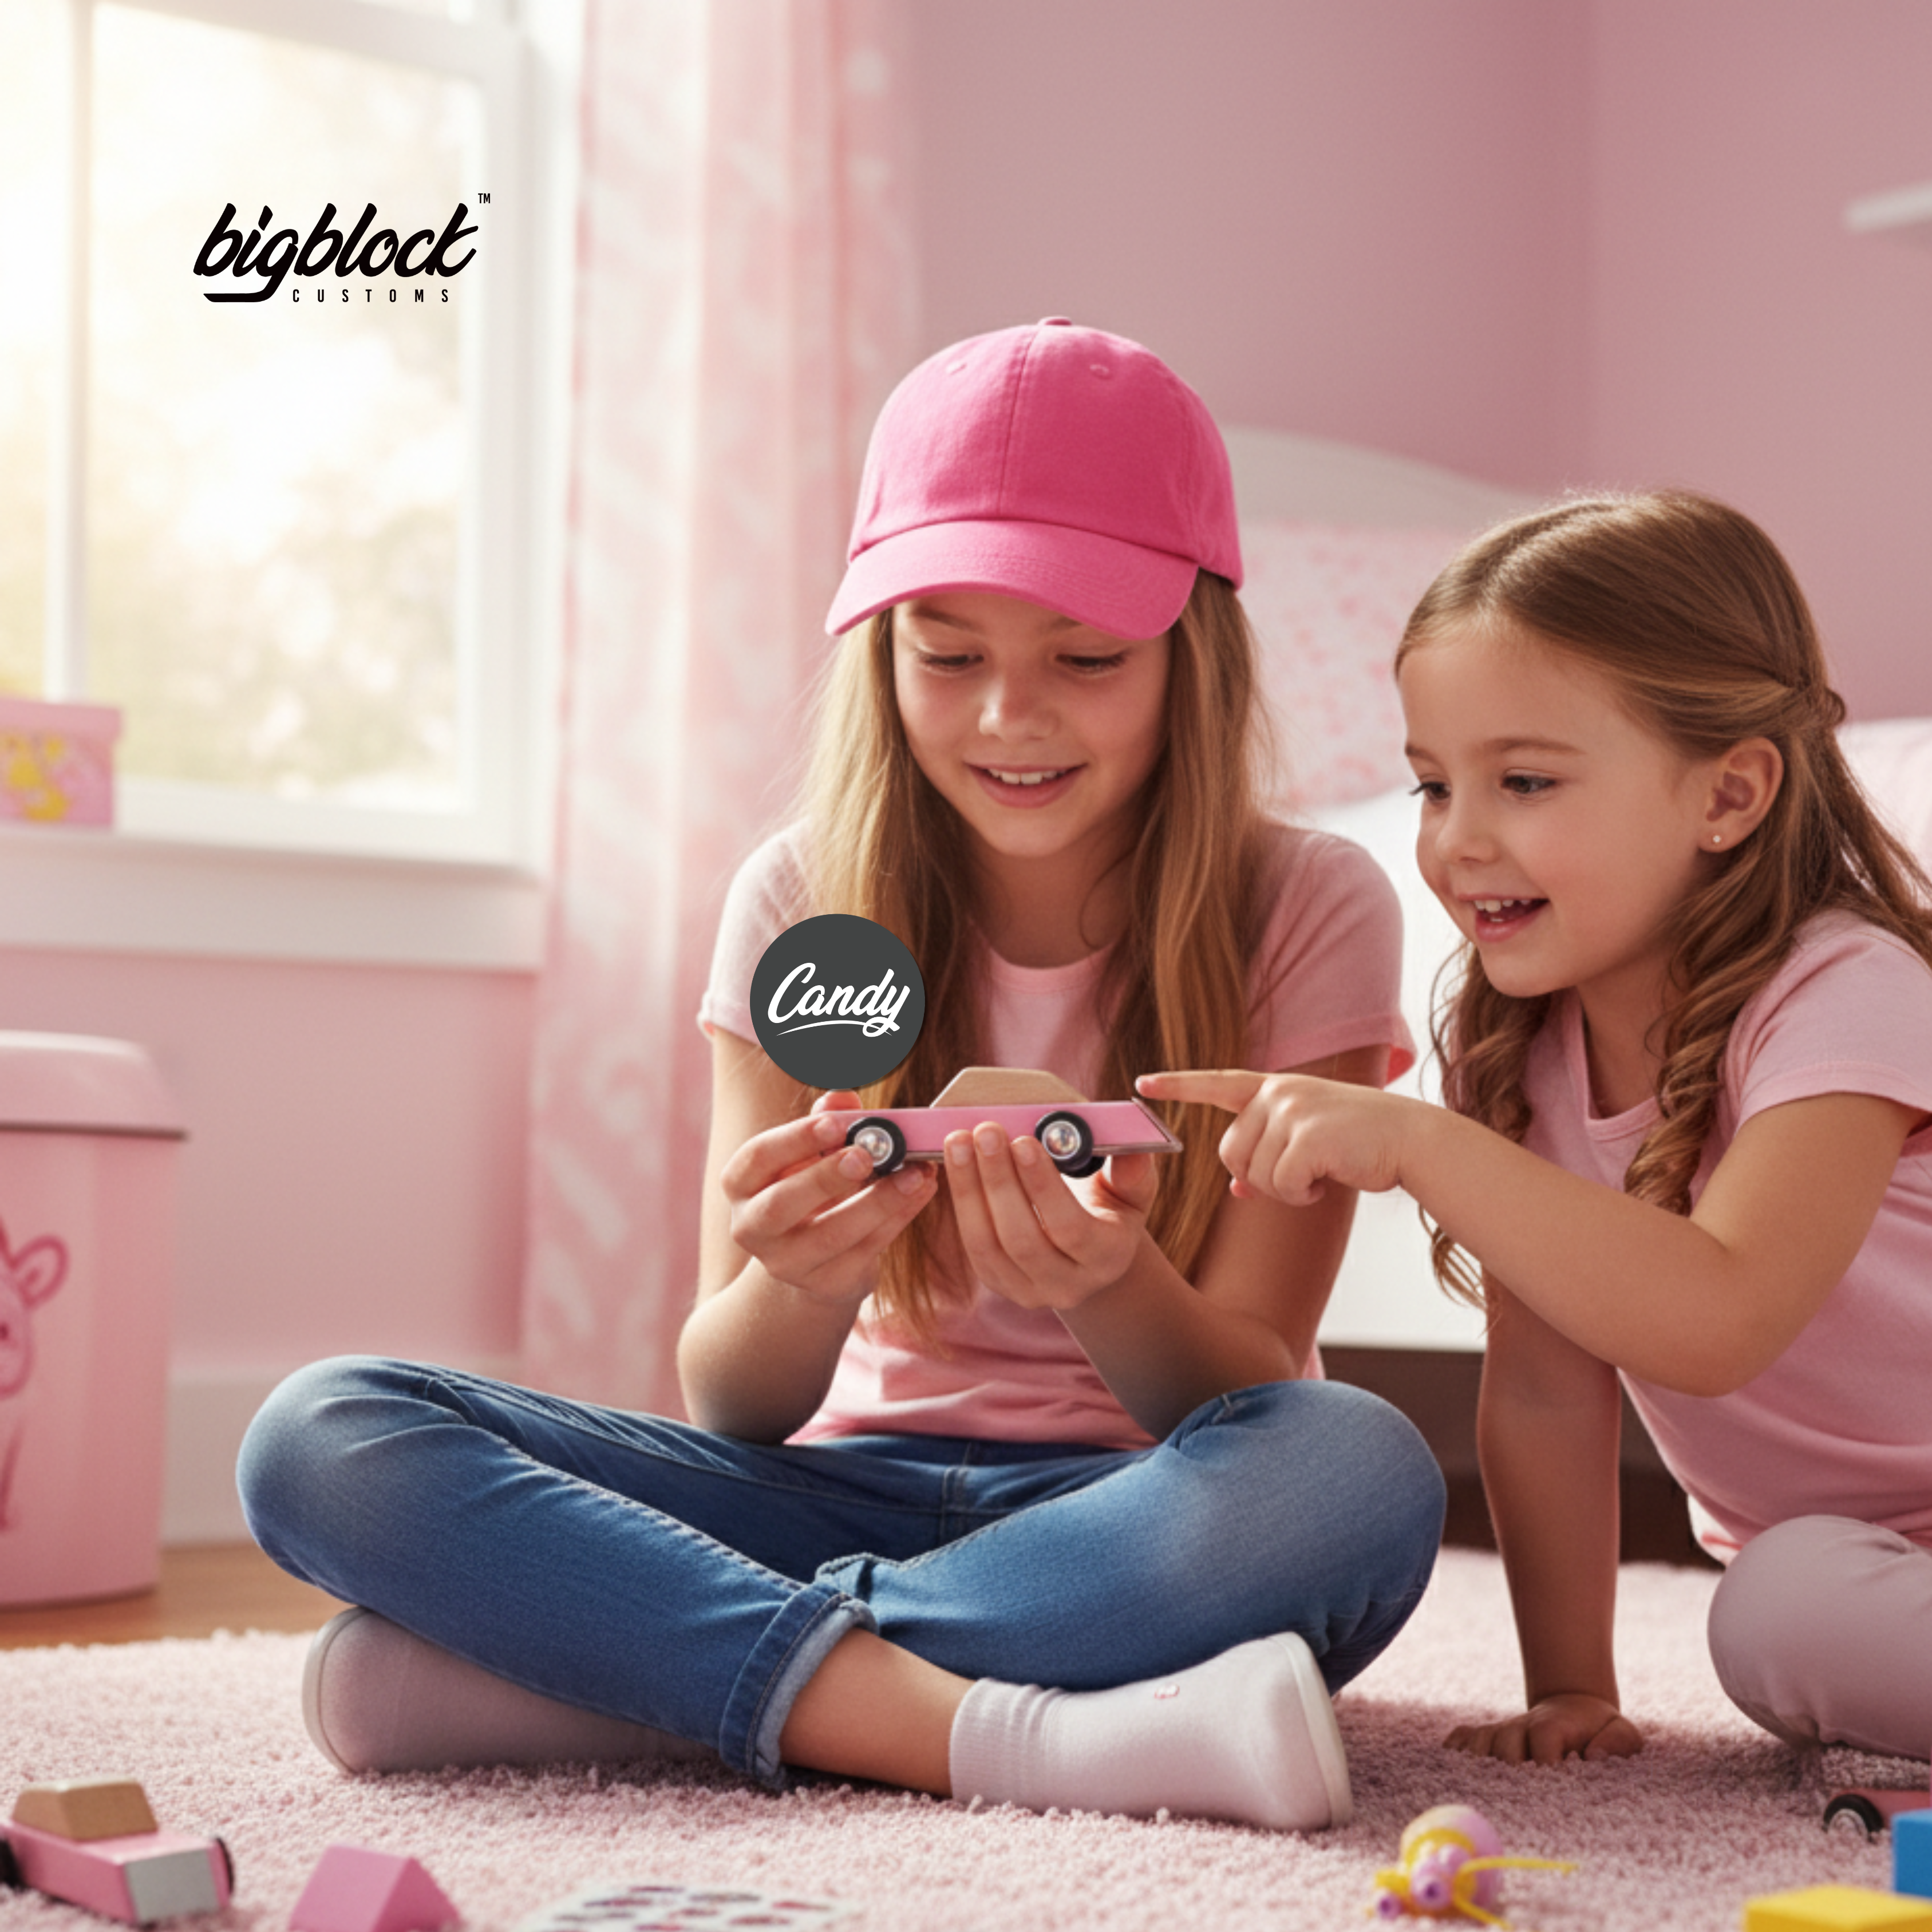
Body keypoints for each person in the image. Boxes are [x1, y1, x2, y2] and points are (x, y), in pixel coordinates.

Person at [237, 318, 1445, 1830]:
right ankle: (997, 1728)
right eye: (947, 655)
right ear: (882, 654)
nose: (1010, 715)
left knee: (1354, 1471)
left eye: (1083, 657)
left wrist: (1100, 1278)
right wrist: (804, 1278)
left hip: (1124, 1506)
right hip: (808, 1488)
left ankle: (624, 1677)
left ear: (1188, 649)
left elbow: (1250, 1373)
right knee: (319, 1429)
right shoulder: (801, 896)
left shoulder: (1310, 902)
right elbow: (729, 1394)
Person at [1144, 489, 1932, 1767]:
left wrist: (1423, 1146)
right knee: (1780, 1611)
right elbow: (1550, 1396)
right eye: (1430, 784)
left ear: (1728, 794)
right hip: (1844, 1565)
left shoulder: (1845, 995)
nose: (1457, 841)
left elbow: (1716, 1314)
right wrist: (1572, 1684)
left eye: (1522, 781)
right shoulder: (1520, 1045)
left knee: (1779, 1607)